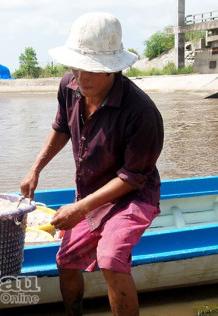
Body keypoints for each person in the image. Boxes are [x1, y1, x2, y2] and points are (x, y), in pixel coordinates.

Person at [20, 12, 164, 316]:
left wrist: (80, 208)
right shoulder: (69, 87)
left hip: (133, 196)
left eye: (91, 71)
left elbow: (132, 178)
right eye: (76, 67)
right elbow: (61, 128)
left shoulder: (141, 112)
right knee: (66, 260)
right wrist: (36, 168)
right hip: (89, 192)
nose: (81, 77)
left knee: (111, 258)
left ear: (113, 70)